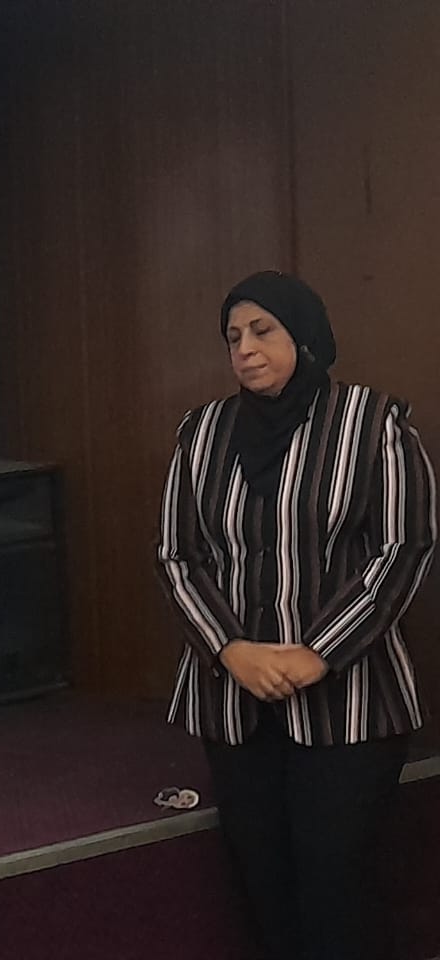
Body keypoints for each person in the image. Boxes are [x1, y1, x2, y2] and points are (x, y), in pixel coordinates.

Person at [156, 271, 435, 960]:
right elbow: (176, 557)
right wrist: (232, 650)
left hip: (351, 704)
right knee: (265, 891)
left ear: (305, 336)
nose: (244, 349)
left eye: (262, 331)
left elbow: (405, 549)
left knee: (337, 890)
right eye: (232, 337)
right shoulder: (202, 431)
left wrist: (317, 653)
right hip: (234, 703)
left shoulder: (375, 423)